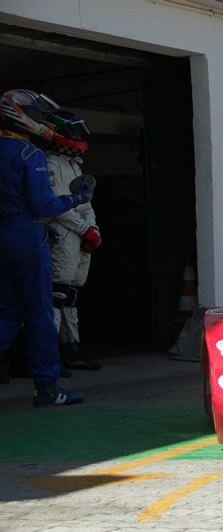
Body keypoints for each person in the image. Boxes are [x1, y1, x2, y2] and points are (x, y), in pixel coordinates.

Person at [0, 89, 93, 407]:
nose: (43, 122)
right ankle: (47, 389)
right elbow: (44, 204)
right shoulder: (29, 154)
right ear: (21, 115)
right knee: (40, 312)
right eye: (39, 116)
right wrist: (77, 199)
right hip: (26, 235)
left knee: (8, 313)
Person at [45, 110, 102, 373]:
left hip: (79, 236)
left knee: (72, 296)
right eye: (74, 133)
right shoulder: (50, 163)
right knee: (57, 295)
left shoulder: (74, 164)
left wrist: (93, 230)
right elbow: (57, 205)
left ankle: (71, 350)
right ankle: (50, 355)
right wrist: (83, 229)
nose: (79, 137)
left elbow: (86, 202)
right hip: (62, 233)